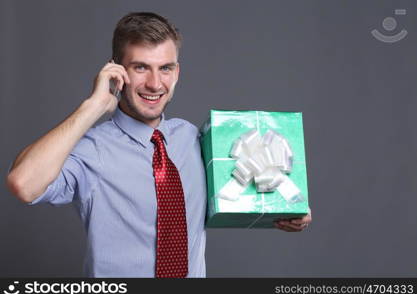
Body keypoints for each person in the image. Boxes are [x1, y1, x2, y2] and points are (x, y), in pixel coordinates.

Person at [6, 12, 312, 278]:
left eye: (165, 68)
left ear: (176, 73)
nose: (155, 84)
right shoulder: (93, 148)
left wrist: (288, 209)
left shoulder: (196, 139)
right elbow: (23, 184)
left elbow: (244, 187)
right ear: (117, 71)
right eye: (140, 67)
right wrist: (94, 106)